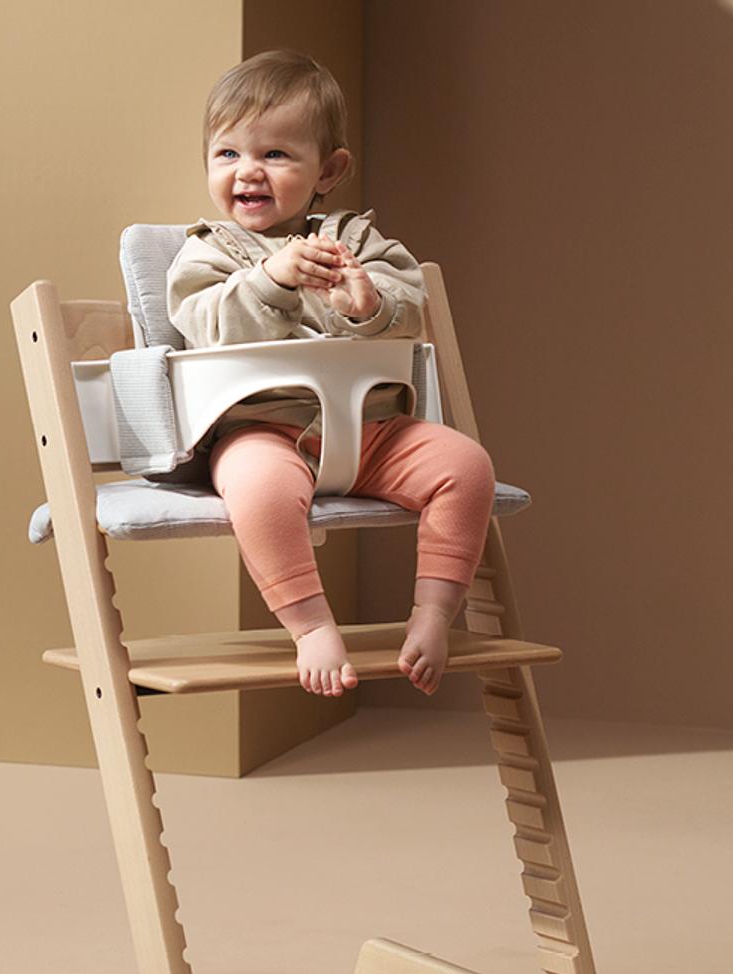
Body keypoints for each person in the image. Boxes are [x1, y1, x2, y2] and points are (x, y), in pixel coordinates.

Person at [167, 49, 495, 699]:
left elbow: (409, 314)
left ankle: (432, 613)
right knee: (256, 490)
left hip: (373, 430)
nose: (247, 171)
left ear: (329, 171)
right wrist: (269, 280)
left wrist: (368, 304)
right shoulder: (206, 251)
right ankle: (311, 625)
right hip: (264, 429)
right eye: (227, 154)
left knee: (468, 465)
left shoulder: (360, 243)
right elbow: (204, 324)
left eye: (276, 155)